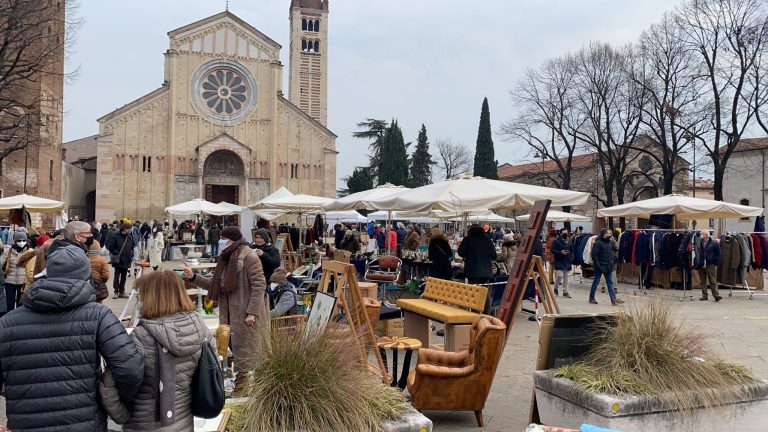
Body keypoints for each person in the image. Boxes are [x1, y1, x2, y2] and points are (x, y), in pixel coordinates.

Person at [0, 245, 144, 432]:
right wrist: (117, 401)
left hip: (26, 423)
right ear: (86, 277)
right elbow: (129, 366)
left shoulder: (7, 322)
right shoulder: (98, 315)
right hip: (85, 421)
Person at [100, 270, 212, 431]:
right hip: (184, 421)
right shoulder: (201, 329)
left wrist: (122, 416)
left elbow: (108, 387)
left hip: (143, 424)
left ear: (151, 297)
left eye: (142, 294)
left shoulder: (140, 337)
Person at [183, 226, 268, 396]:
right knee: (235, 349)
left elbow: (260, 285)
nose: (220, 242)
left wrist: (252, 312)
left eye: (223, 239)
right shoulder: (225, 258)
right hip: (230, 314)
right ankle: (243, 387)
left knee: (247, 352)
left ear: (232, 240)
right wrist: (193, 277)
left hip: (246, 313)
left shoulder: (249, 257)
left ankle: (243, 391)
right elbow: (215, 285)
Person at [457, 224, 497, 314]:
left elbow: (461, 253)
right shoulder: (487, 239)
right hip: (486, 270)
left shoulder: (468, 239)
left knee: (474, 292)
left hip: (472, 270)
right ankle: (486, 313)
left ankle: (475, 313)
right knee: (485, 293)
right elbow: (494, 255)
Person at [0, 232, 35, 311]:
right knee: (9, 303)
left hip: (23, 282)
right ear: (15, 241)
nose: (22, 243)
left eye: (24, 240)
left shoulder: (30, 252)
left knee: (21, 304)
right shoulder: (8, 252)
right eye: (19, 240)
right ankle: (9, 320)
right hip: (10, 281)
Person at [589, 228, 624, 306]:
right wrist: (598, 266)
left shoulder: (610, 242)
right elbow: (594, 255)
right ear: (603, 234)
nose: (609, 235)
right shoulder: (597, 243)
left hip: (608, 266)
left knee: (610, 282)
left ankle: (613, 299)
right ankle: (591, 298)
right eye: (608, 233)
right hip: (600, 266)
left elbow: (615, 249)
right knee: (596, 282)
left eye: (610, 233)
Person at [108, 222, 135, 299]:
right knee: (117, 276)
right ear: (125, 229)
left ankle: (122, 292)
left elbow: (132, 246)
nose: (130, 230)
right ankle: (116, 291)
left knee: (124, 276)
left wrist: (131, 254)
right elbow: (111, 247)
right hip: (118, 260)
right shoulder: (115, 236)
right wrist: (117, 253)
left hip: (127, 260)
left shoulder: (129, 237)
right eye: (129, 229)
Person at [697, 230, 722, 302]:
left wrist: (715, 262)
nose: (701, 235)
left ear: (706, 235)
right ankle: (704, 296)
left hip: (710, 264)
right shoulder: (699, 242)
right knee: (702, 281)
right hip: (701, 264)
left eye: (702, 234)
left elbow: (719, 253)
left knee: (713, 280)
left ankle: (716, 295)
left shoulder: (714, 243)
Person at [551, 228, 573, 298]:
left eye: (566, 233)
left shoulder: (569, 240)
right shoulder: (556, 241)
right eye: (564, 233)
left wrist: (571, 257)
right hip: (559, 260)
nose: (565, 234)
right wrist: (560, 252)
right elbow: (552, 250)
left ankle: (565, 291)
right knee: (559, 275)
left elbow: (572, 249)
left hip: (567, 260)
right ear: (560, 233)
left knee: (566, 277)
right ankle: (555, 287)